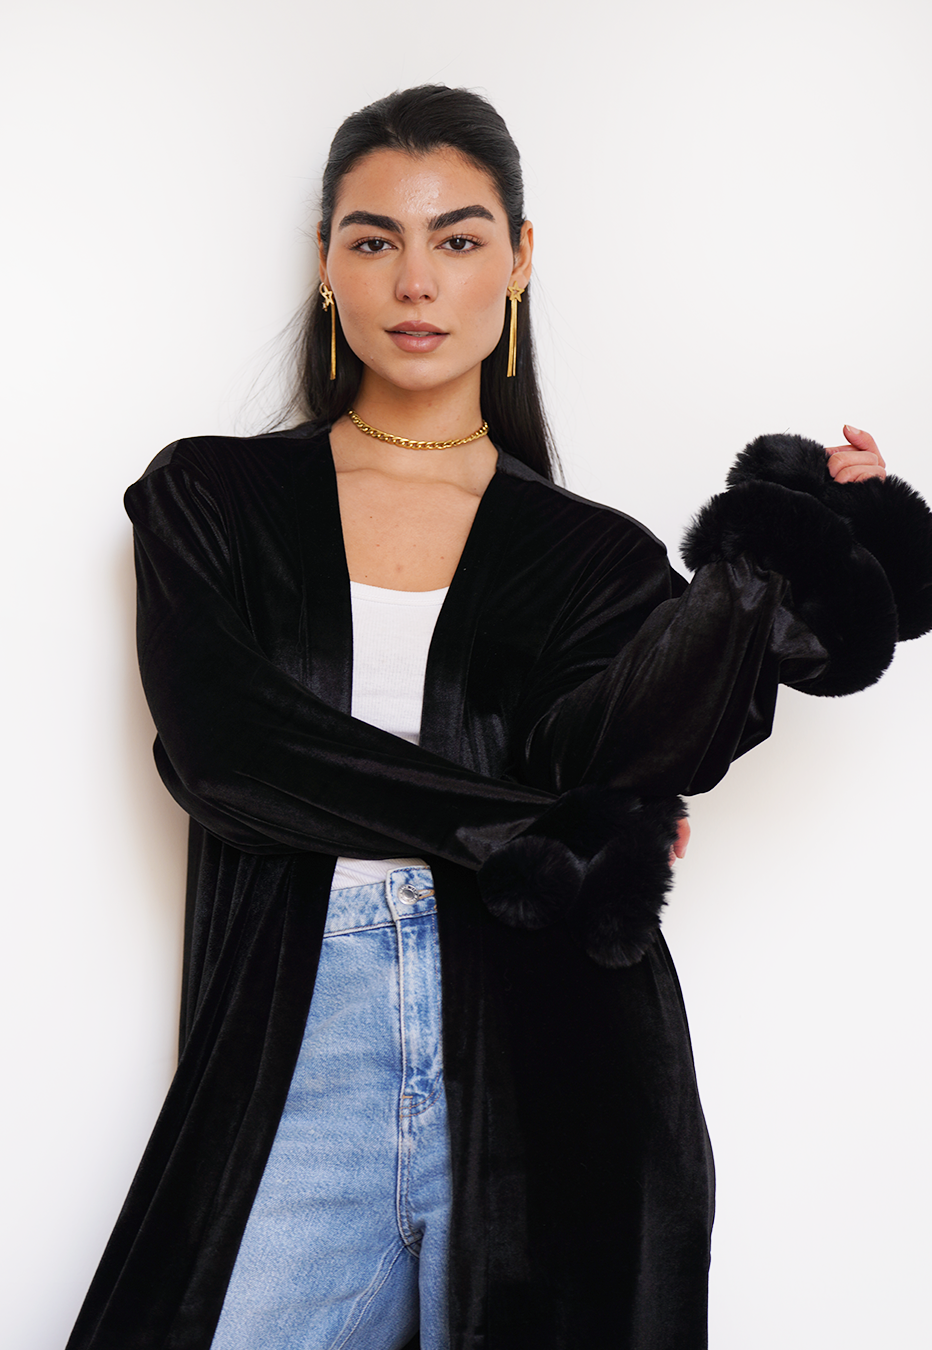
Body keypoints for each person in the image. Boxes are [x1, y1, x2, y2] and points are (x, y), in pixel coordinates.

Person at [66, 86, 932, 1350]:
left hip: (563, 1064)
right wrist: (544, 830)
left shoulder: (594, 557)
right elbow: (229, 755)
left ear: (519, 259)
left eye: (459, 239)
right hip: (306, 1038)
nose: (416, 280)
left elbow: (654, 744)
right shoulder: (213, 499)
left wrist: (797, 543)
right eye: (375, 238)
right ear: (326, 262)